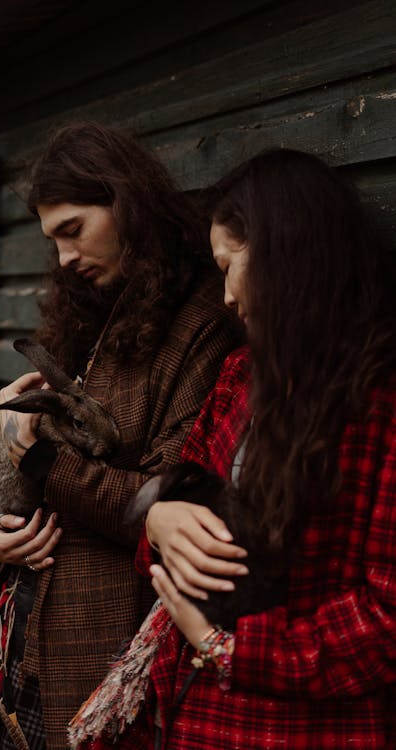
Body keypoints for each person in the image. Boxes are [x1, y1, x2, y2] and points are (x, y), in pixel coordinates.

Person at [70, 148, 396, 749]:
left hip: (302, 730)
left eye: (229, 265)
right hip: (194, 717)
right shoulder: (239, 377)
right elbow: (175, 492)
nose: (224, 296)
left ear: (284, 253)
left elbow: (387, 618)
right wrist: (160, 521)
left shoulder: (379, 404)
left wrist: (231, 649)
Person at [0, 121, 242, 750]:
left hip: (96, 662)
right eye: (52, 239)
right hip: (17, 646)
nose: (64, 258)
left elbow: (166, 503)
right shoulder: (84, 315)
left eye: (74, 230)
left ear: (128, 202)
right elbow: (18, 456)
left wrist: (33, 458)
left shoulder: (202, 325)